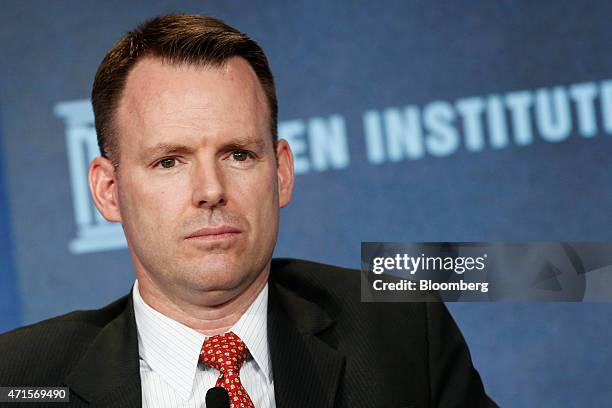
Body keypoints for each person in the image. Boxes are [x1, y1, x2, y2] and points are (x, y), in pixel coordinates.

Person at [0, 14, 497, 407]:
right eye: (169, 161)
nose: (211, 190)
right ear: (109, 191)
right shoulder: (20, 381)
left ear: (280, 173)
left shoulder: (401, 336)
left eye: (238, 154)